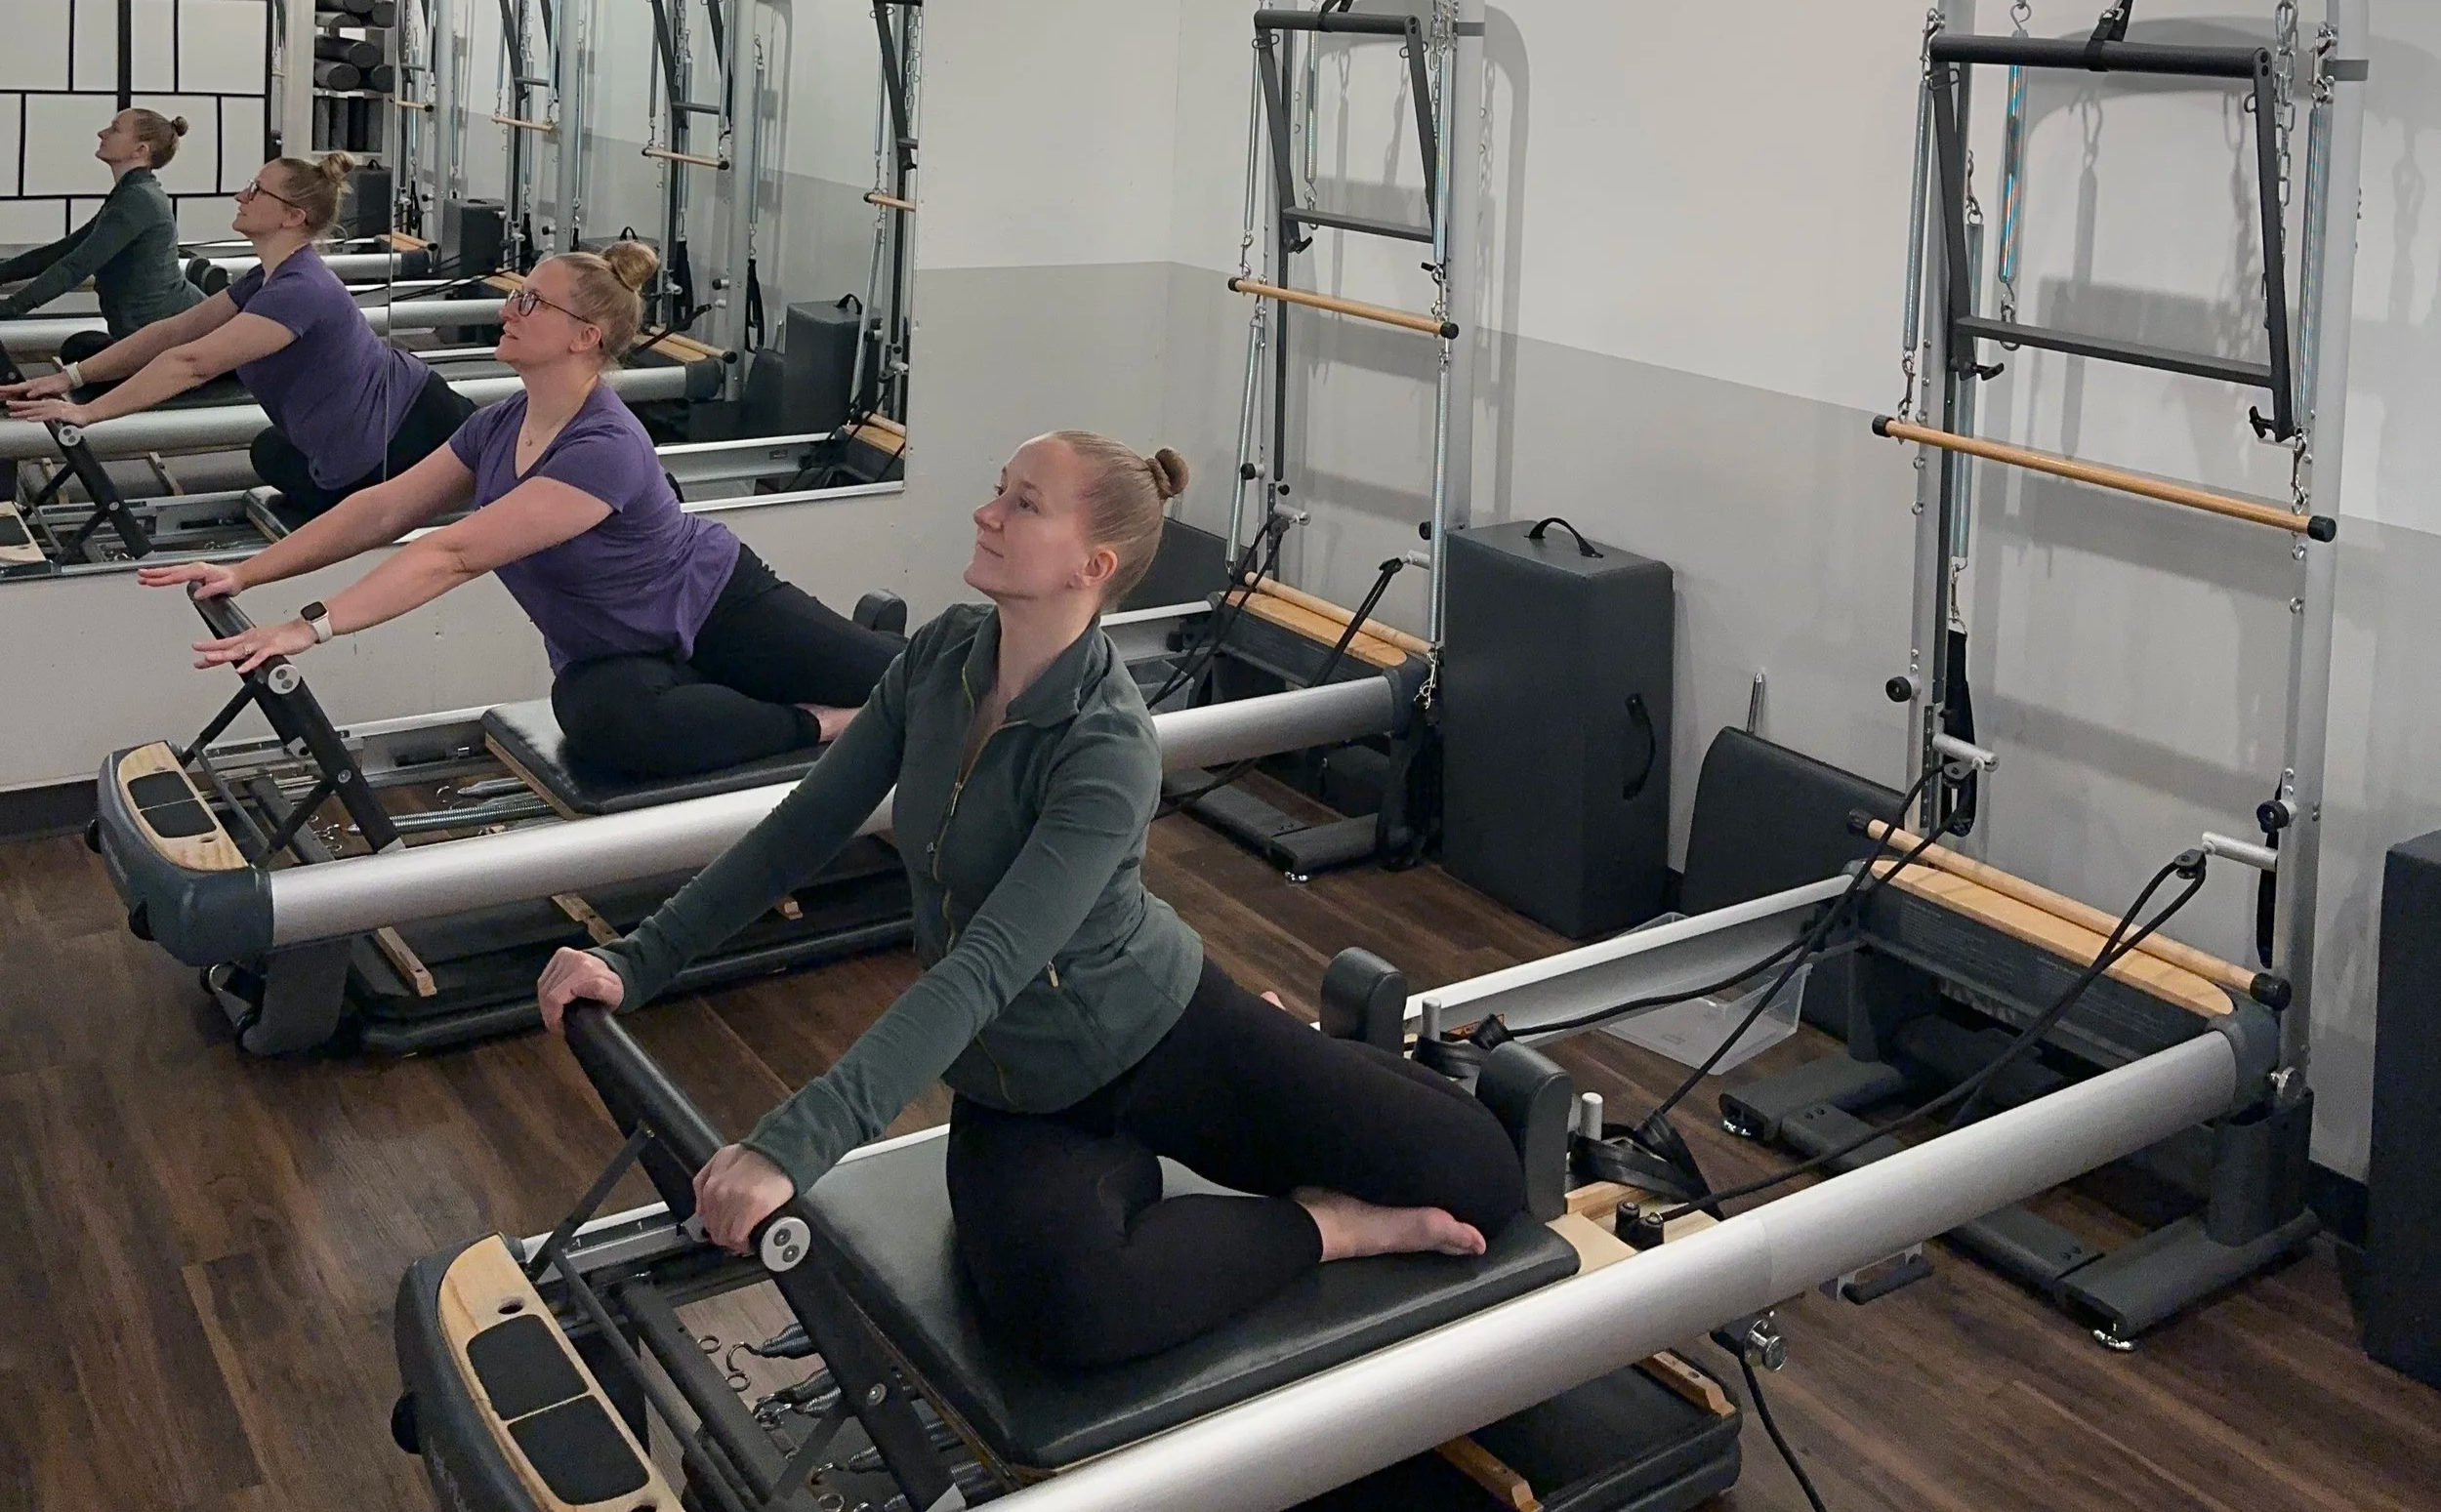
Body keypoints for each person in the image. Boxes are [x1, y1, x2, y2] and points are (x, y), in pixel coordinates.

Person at [531, 431, 1527, 1370]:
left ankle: (1315, 1105)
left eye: (1021, 503)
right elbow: (800, 829)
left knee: (1482, 1173)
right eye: (998, 492)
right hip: (1022, 1087)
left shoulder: (1106, 745)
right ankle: (1323, 1221)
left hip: (1161, 1035)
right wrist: (635, 957)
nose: (986, 513)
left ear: (1088, 565)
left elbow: (989, 960)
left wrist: (796, 1142)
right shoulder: (939, 659)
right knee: (1064, 1304)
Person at [132, 242, 899, 780]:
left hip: (722, 603)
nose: (512, 306)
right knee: (599, 721)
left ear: (585, 336)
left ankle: (848, 697)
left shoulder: (605, 444)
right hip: (617, 654)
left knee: (913, 683)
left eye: (532, 299)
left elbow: (454, 554)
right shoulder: (498, 425)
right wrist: (245, 570)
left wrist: (310, 625)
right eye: (517, 294)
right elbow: (383, 508)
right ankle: (813, 721)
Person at [1, 151, 472, 517]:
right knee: (272, 450)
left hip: (409, 429)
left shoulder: (299, 289)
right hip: (395, 412)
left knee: (281, 459)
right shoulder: (266, 277)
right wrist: (73, 378)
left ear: (293, 217)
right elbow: (176, 332)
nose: (241, 196)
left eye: (256, 191)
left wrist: (87, 413)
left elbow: (193, 361)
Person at [0, 109, 201, 365]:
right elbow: (63, 251)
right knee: (79, 349)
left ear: (140, 149)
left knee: (80, 355)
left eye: (115, 129)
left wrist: (11, 307)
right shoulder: (131, 193)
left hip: (171, 334)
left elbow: (75, 266)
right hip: (146, 332)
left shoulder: (139, 198)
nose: (102, 133)